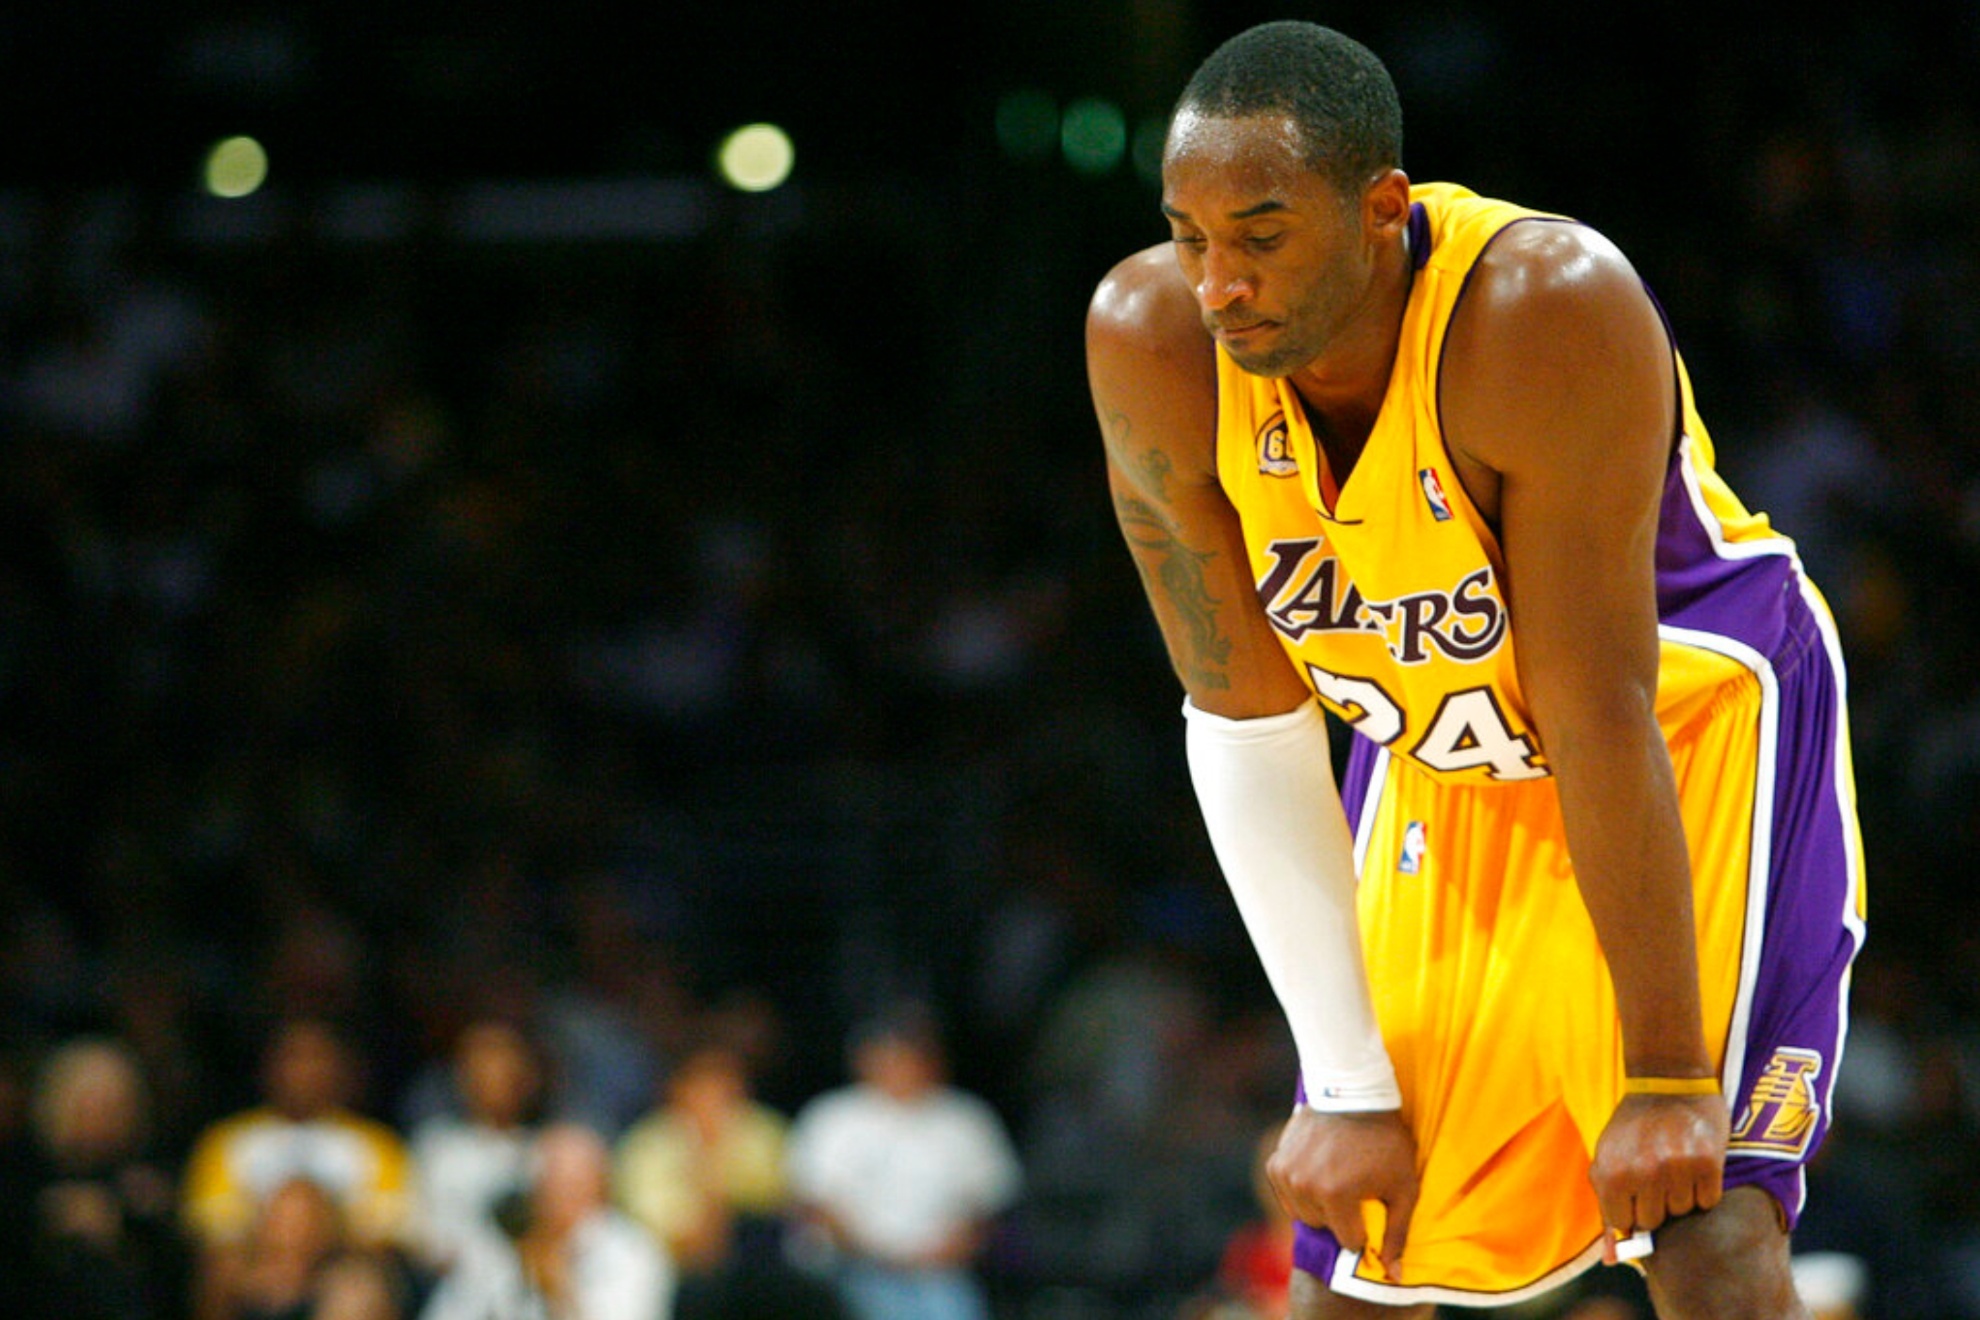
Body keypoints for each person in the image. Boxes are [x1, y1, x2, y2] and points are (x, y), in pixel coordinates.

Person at [1084, 21, 1865, 1319]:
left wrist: (1667, 1081)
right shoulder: (1151, 343)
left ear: (1382, 208)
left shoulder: (1541, 305)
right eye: (1190, 235)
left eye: (1263, 236)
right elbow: (1241, 718)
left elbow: (1596, 703)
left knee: (1701, 1223)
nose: (1219, 282)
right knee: (1352, 1236)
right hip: (1447, 753)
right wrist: (1341, 1087)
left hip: (1679, 724)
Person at [783, 1003, 1022, 1320]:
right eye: (887, 1055)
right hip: (850, 1267)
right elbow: (813, 1203)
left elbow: (989, 1206)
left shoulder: (965, 1118)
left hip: (939, 1271)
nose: (898, 1066)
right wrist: (877, 1254)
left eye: (908, 1055)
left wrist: (942, 1252)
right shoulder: (834, 1115)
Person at [419, 1120, 675, 1320]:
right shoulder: (499, 1246)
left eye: (570, 1185)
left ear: (599, 1188)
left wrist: (559, 1289)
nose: (555, 1196)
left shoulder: (635, 1253)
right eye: (546, 1181)